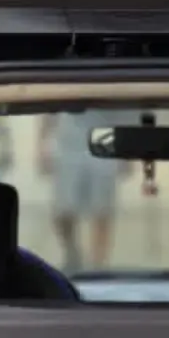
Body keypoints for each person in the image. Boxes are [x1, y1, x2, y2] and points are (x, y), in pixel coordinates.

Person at [37, 108, 124, 272]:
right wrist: (42, 143)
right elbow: (49, 107)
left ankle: (98, 267)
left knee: (102, 210)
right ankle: (72, 253)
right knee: (62, 212)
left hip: (105, 140)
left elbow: (123, 109)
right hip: (69, 144)